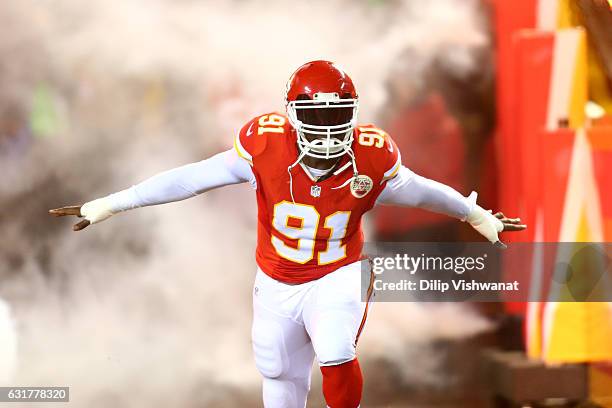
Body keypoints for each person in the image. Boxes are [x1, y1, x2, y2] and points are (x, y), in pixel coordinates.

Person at [50, 60, 525, 408]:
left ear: (354, 113)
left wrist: (474, 214)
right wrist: (112, 203)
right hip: (277, 280)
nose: (326, 128)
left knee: (337, 352)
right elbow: (190, 178)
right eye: (314, 117)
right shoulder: (266, 147)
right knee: (278, 373)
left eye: (336, 115)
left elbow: (418, 190)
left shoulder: (372, 155)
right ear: (291, 115)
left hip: (339, 272)